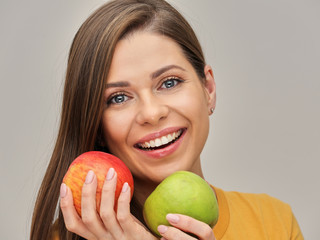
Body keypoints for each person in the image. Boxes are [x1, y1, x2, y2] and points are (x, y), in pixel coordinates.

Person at [30, 0, 304, 239]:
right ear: (97, 125)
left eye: (169, 82)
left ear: (208, 89)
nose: (152, 113)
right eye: (118, 98)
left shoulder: (274, 224)